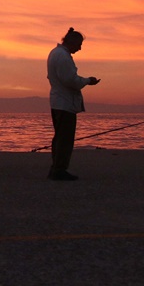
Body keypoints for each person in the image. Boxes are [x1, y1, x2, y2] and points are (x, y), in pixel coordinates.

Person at [46, 27, 100, 181]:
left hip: (58, 101)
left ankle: (56, 167)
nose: (80, 48)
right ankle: (59, 169)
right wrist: (88, 81)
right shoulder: (63, 56)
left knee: (59, 137)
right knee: (65, 138)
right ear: (72, 42)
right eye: (79, 44)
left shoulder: (55, 53)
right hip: (64, 103)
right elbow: (70, 80)